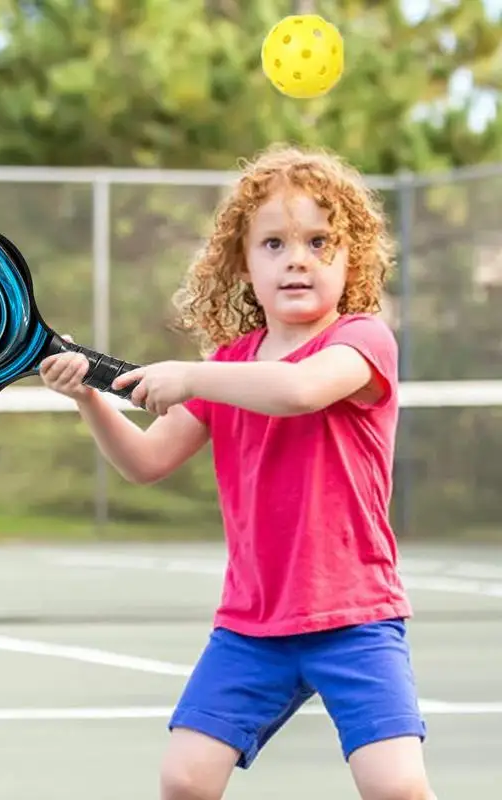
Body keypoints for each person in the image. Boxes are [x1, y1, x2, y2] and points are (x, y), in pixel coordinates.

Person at [38, 143, 435, 800]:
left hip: (356, 617)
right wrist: (88, 395)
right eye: (273, 244)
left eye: (318, 241)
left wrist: (193, 375)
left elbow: (301, 389)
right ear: (243, 265)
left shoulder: (362, 342)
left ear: (352, 258)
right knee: (185, 780)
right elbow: (145, 460)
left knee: (395, 789)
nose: (297, 259)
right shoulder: (232, 363)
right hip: (252, 626)